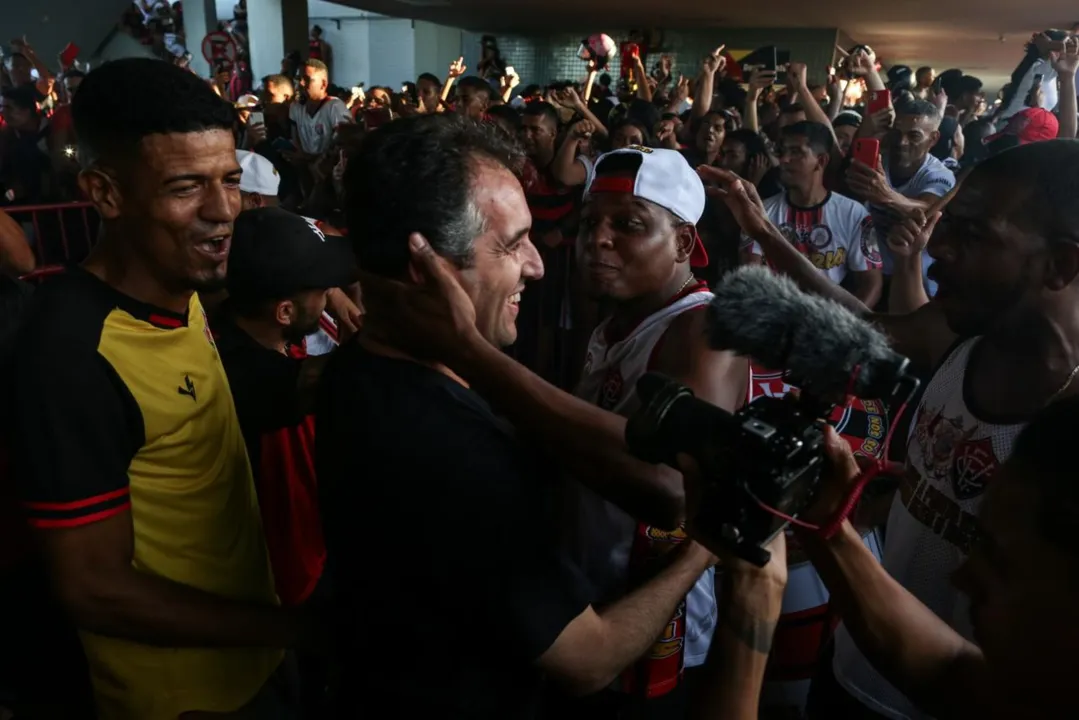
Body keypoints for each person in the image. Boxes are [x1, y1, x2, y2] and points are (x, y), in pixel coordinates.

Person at [319, 113, 717, 717]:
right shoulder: (455, 452)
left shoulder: (349, 368)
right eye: (510, 244)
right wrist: (703, 549)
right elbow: (589, 659)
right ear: (427, 269)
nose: (538, 264)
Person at [702, 137, 1079, 720]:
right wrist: (766, 231)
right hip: (855, 657)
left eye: (973, 234)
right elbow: (863, 322)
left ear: (1061, 263)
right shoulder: (959, 335)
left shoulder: (1068, 433)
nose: (940, 250)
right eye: (946, 226)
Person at [7, 57, 306, 720]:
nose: (223, 210)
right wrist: (293, 631)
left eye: (230, 179)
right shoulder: (70, 353)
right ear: (105, 193)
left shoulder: (181, 284)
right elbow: (93, 587)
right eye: (185, 187)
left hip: (253, 665)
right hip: (176, 701)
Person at [563, 146, 748, 717]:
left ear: (684, 244)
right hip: (597, 587)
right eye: (590, 223)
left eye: (629, 225)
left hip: (653, 606)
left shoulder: (702, 328)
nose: (598, 239)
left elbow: (670, 492)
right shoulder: (622, 316)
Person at [744, 121, 883, 307]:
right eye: (782, 151)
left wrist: (846, 326)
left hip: (830, 318)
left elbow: (871, 283)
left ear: (821, 161)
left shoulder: (854, 214)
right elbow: (750, 275)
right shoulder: (761, 212)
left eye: (796, 152)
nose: (784, 159)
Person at [846, 99, 954, 300]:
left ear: (933, 139)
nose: (902, 142)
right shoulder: (877, 161)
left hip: (914, 282)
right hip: (872, 274)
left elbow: (929, 209)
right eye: (896, 133)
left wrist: (887, 196)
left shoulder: (939, 175)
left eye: (914, 135)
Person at [289, 59, 351, 158]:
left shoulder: (335, 107)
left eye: (306, 79)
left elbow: (342, 145)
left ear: (323, 84)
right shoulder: (295, 107)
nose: (301, 83)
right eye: (298, 78)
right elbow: (296, 142)